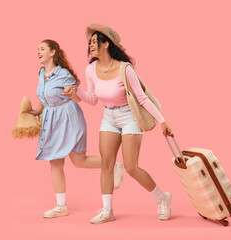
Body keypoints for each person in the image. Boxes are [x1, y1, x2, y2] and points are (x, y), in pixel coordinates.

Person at [64, 24, 173, 224]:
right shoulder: (91, 69)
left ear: (106, 44)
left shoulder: (125, 69)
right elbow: (93, 99)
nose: (90, 45)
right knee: (107, 164)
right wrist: (76, 93)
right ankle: (107, 211)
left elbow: (142, 98)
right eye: (89, 42)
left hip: (129, 117)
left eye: (95, 41)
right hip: (108, 117)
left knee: (131, 167)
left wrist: (162, 121)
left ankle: (161, 197)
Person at [29, 39, 123, 219]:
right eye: (37, 49)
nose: (38, 52)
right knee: (55, 162)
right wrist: (37, 110)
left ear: (53, 52)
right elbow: (44, 96)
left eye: (42, 49)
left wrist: (72, 92)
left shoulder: (63, 74)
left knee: (78, 161)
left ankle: (112, 165)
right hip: (51, 121)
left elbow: (77, 96)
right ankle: (61, 206)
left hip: (68, 119)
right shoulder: (41, 73)